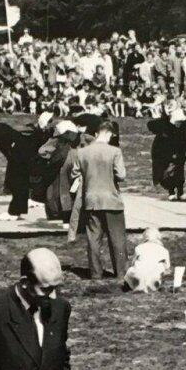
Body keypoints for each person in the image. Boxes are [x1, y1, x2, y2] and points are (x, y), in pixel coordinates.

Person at [70, 117, 129, 278]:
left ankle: (95, 273)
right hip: (111, 200)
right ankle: (121, 272)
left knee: (93, 239)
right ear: (109, 134)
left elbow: (74, 173)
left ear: (96, 133)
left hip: (91, 199)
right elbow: (122, 175)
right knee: (117, 239)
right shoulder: (115, 151)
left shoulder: (82, 152)